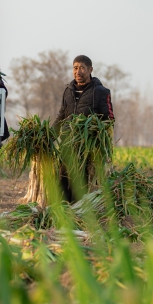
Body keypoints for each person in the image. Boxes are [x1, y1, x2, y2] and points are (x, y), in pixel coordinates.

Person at [52, 55, 115, 201]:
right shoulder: (68, 91)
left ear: (90, 69)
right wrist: (49, 136)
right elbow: (61, 116)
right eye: (75, 68)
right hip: (67, 146)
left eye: (82, 68)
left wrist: (97, 136)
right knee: (62, 180)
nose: (78, 72)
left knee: (80, 184)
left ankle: (79, 216)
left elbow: (109, 119)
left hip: (87, 150)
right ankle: (62, 214)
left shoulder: (101, 92)